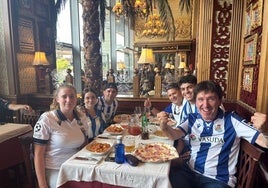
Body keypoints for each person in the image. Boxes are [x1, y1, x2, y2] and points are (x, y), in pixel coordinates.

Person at [158, 80, 268, 188]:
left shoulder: (232, 120)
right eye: (201, 99)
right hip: (190, 172)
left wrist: (265, 130)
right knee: (161, 181)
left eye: (211, 99)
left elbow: (264, 142)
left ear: (220, 101)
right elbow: (174, 135)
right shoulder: (192, 119)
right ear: (196, 102)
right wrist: (164, 126)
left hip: (217, 180)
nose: (205, 105)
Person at [33, 84, 88, 188]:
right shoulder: (47, 119)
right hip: (55, 169)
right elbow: (38, 155)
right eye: (64, 96)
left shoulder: (81, 117)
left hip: (76, 166)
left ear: (76, 98)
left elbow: (84, 144)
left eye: (72, 96)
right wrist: (42, 185)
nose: (68, 100)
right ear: (57, 99)